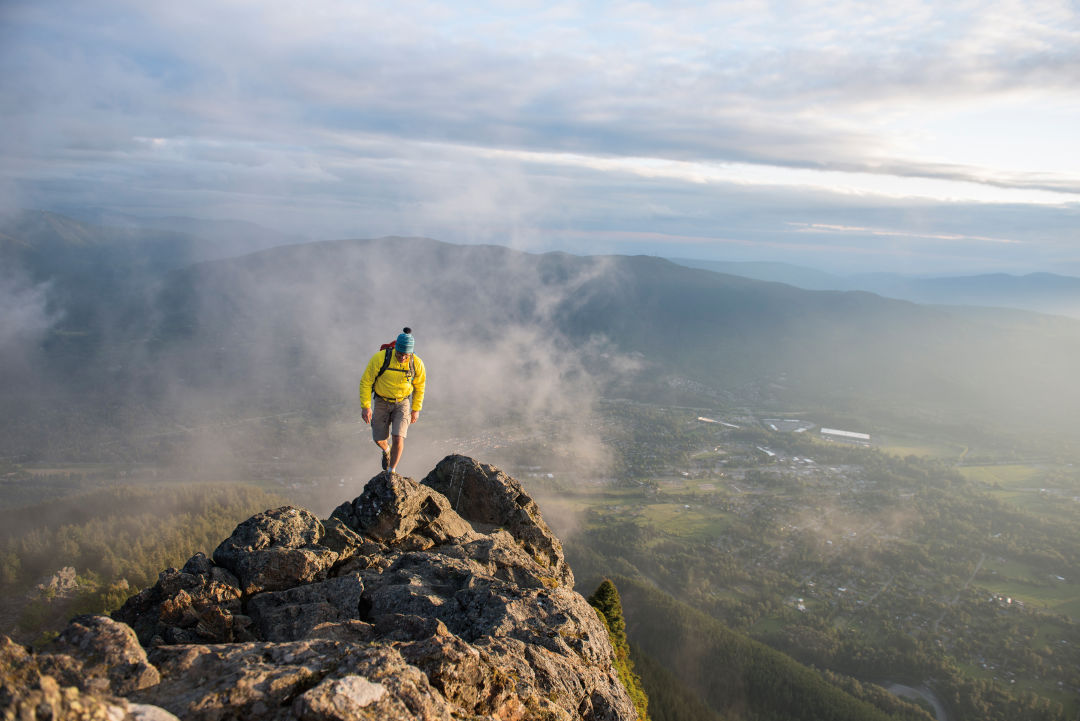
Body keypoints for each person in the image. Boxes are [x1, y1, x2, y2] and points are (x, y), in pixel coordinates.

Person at [359, 327, 426, 475]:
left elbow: (419, 387)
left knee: (398, 437)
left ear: (411, 353)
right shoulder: (380, 358)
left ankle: (391, 472)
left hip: (402, 402)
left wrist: (416, 410)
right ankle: (386, 449)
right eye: (400, 353)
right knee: (379, 439)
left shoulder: (416, 364)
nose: (402, 357)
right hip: (382, 401)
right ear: (396, 348)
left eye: (406, 355)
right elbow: (366, 381)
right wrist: (366, 406)